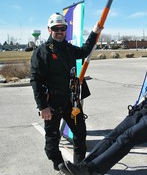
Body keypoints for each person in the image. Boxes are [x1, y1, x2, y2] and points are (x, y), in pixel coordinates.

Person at [59, 46, 147, 175]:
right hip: (142, 112)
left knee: (127, 138)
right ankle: (83, 165)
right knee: (113, 135)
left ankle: (92, 170)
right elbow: (144, 94)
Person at [30, 12, 102, 172]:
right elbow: (35, 80)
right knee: (51, 142)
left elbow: (84, 51)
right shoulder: (41, 53)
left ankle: (79, 167)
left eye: (63, 28)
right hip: (52, 104)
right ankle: (60, 166)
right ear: (49, 30)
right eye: (56, 28)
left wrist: (94, 32)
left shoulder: (68, 48)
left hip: (71, 102)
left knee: (80, 135)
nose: (60, 31)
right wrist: (42, 107)